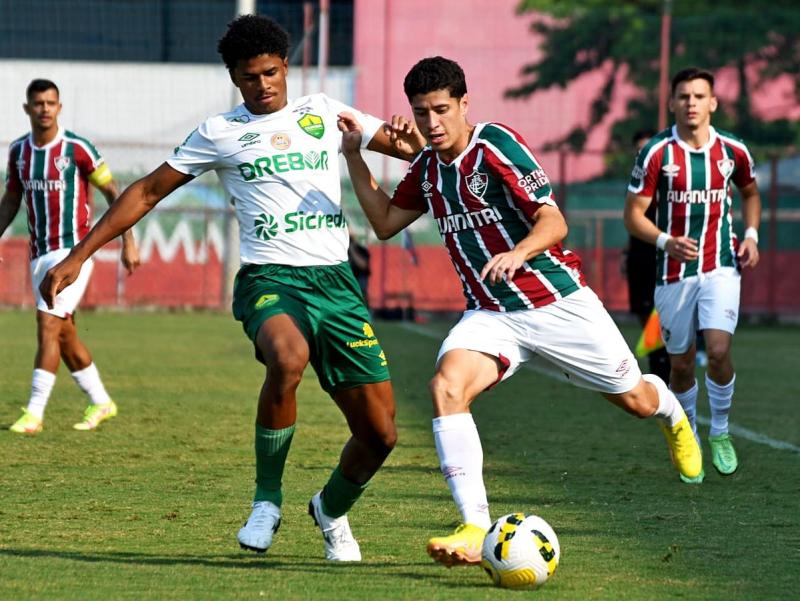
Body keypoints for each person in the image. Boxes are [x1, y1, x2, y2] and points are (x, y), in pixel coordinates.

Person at [40, 15, 423, 561]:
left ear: (285, 67)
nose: (262, 85)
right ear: (234, 79)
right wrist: (80, 256)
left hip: (336, 287)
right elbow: (148, 190)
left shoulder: (324, 113)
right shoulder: (219, 132)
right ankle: (267, 500)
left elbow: (413, 150)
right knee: (287, 359)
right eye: (249, 77)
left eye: (269, 72)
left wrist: (410, 143)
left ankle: (331, 510)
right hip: (269, 281)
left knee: (380, 434)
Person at [339, 56, 701, 567]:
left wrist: (519, 251)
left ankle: (672, 411)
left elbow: (553, 222)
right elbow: (382, 222)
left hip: (558, 303)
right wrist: (355, 155)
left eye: (441, 110)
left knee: (635, 400)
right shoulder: (426, 169)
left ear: (465, 103)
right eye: (421, 113)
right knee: (446, 386)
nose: (432, 123)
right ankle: (474, 524)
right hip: (492, 314)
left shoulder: (497, 145)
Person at [624, 67, 761, 483]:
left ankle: (719, 432)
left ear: (713, 103)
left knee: (717, 351)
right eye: (684, 96)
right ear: (672, 103)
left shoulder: (732, 150)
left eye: (699, 96)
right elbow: (633, 216)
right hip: (673, 273)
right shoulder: (656, 153)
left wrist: (751, 235)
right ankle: (690, 436)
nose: (691, 103)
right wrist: (665, 241)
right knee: (680, 365)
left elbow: (750, 192)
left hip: (721, 265)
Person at [0, 79, 139, 435]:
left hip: (74, 253)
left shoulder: (78, 149)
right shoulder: (19, 152)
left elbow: (114, 193)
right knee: (63, 333)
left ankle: (34, 413)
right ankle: (101, 401)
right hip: (38, 255)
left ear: (59, 107)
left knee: (47, 323)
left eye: (51, 103)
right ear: (27, 108)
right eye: (38, 103)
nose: (45, 109)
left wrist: (129, 241)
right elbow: (11, 201)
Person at [623, 129, 671, 382]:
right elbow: (632, 221)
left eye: (647, 148)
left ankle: (664, 370)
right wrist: (626, 253)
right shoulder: (637, 182)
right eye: (639, 149)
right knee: (644, 313)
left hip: (664, 257)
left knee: (662, 314)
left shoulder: (671, 181)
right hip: (639, 257)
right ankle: (658, 365)